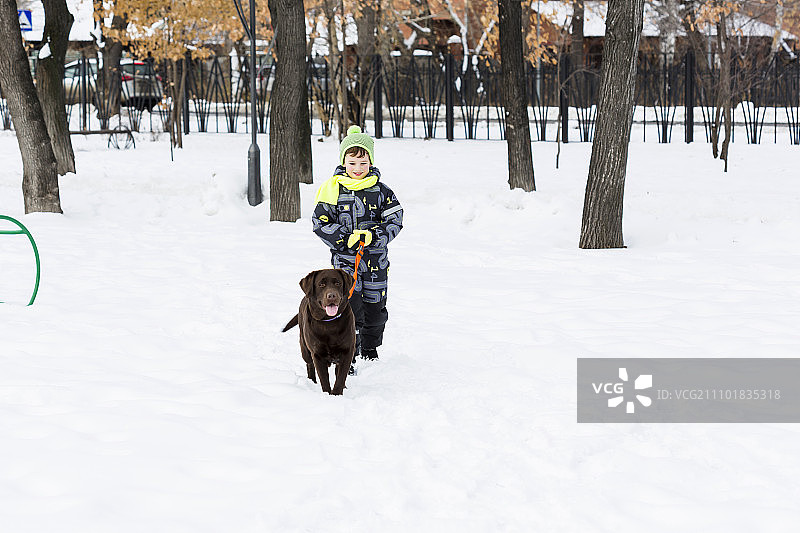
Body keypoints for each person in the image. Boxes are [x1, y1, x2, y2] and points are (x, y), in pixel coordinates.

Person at [311, 125, 403, 369]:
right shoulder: (333, 190)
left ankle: (370, 347)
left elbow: (395, 220)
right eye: (352, 163)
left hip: (375, 262)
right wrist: (344, 238)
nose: (358, 169)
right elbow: (319, 222)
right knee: (350, 308)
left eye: (363, 163)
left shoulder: (382, 191)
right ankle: (348, 353)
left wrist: (374, 236)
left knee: (375, 308)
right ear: (344, 162)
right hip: (345, 264)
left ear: (371, 162)